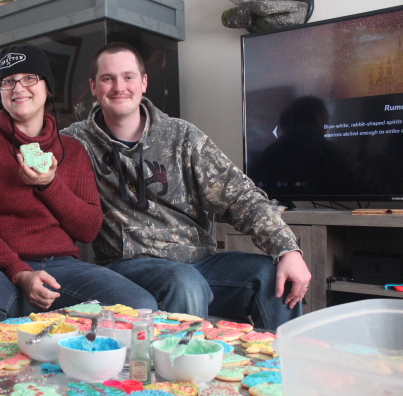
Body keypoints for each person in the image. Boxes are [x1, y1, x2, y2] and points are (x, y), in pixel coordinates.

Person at [61, 42, 312, 330]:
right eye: (108, 78)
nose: (120, 86)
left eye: (128, 77)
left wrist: (288, 250)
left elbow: (241, 196)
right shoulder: (74, 143)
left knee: (270, 275)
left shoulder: (182, 137)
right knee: (184, 281)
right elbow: (34, 162)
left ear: (144, 82)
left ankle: (278, 370)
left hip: (200, 261)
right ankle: (185, 372)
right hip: (129, 265)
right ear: (94, 87)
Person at [0, 44, 159, 327]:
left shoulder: (73, 150)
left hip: (62, 265)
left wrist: (49, 185)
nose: (18, 88)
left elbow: (87, 229)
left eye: (29, 78)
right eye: (8, 81)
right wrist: (21, 273)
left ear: (47, 88)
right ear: (0, 93)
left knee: (139, 306)